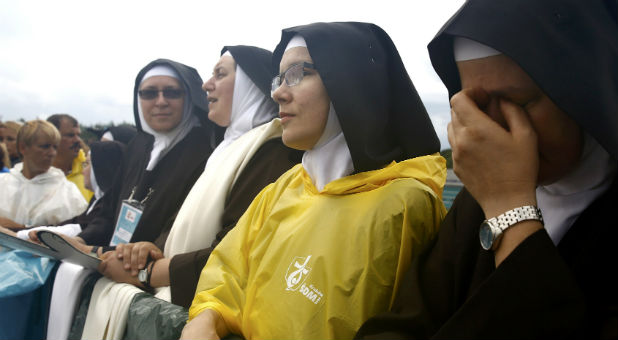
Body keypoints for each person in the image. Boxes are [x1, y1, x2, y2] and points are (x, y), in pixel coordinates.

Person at [355, 0, 618, 338]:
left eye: (521, 103)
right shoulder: (475, 202)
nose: (492, 131)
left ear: (585, 93)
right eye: (476, 106)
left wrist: (510, 207)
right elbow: (405, 323)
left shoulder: (495, 194)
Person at [182, 22, 446, 340]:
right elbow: (227, 271)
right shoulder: (282, 188)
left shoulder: (406, 205)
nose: (279, 92)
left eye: (297, 73)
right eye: (278, 79)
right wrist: (206, 318)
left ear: (347, 82)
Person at [98, 45, 303, 308]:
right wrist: (151, 247)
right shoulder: (227, 147)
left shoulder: (271, 153)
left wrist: (146, 273)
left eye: (220, 74)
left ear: (248, 86)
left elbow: (235, 252)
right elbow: (182, 223)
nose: (207, 85)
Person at [0, 120, 87, 229]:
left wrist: (19, 228)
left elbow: (74, 233)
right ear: (23, 148)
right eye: (45, 146)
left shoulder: (68, 192)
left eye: (55, 147)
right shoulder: (3, 183)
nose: (52, 153)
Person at [47, 114, 93, 201]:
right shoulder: (36, 174)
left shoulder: (89, 170)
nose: (78, 140)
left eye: (78, 135)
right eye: (70, 135)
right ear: (51, 137)